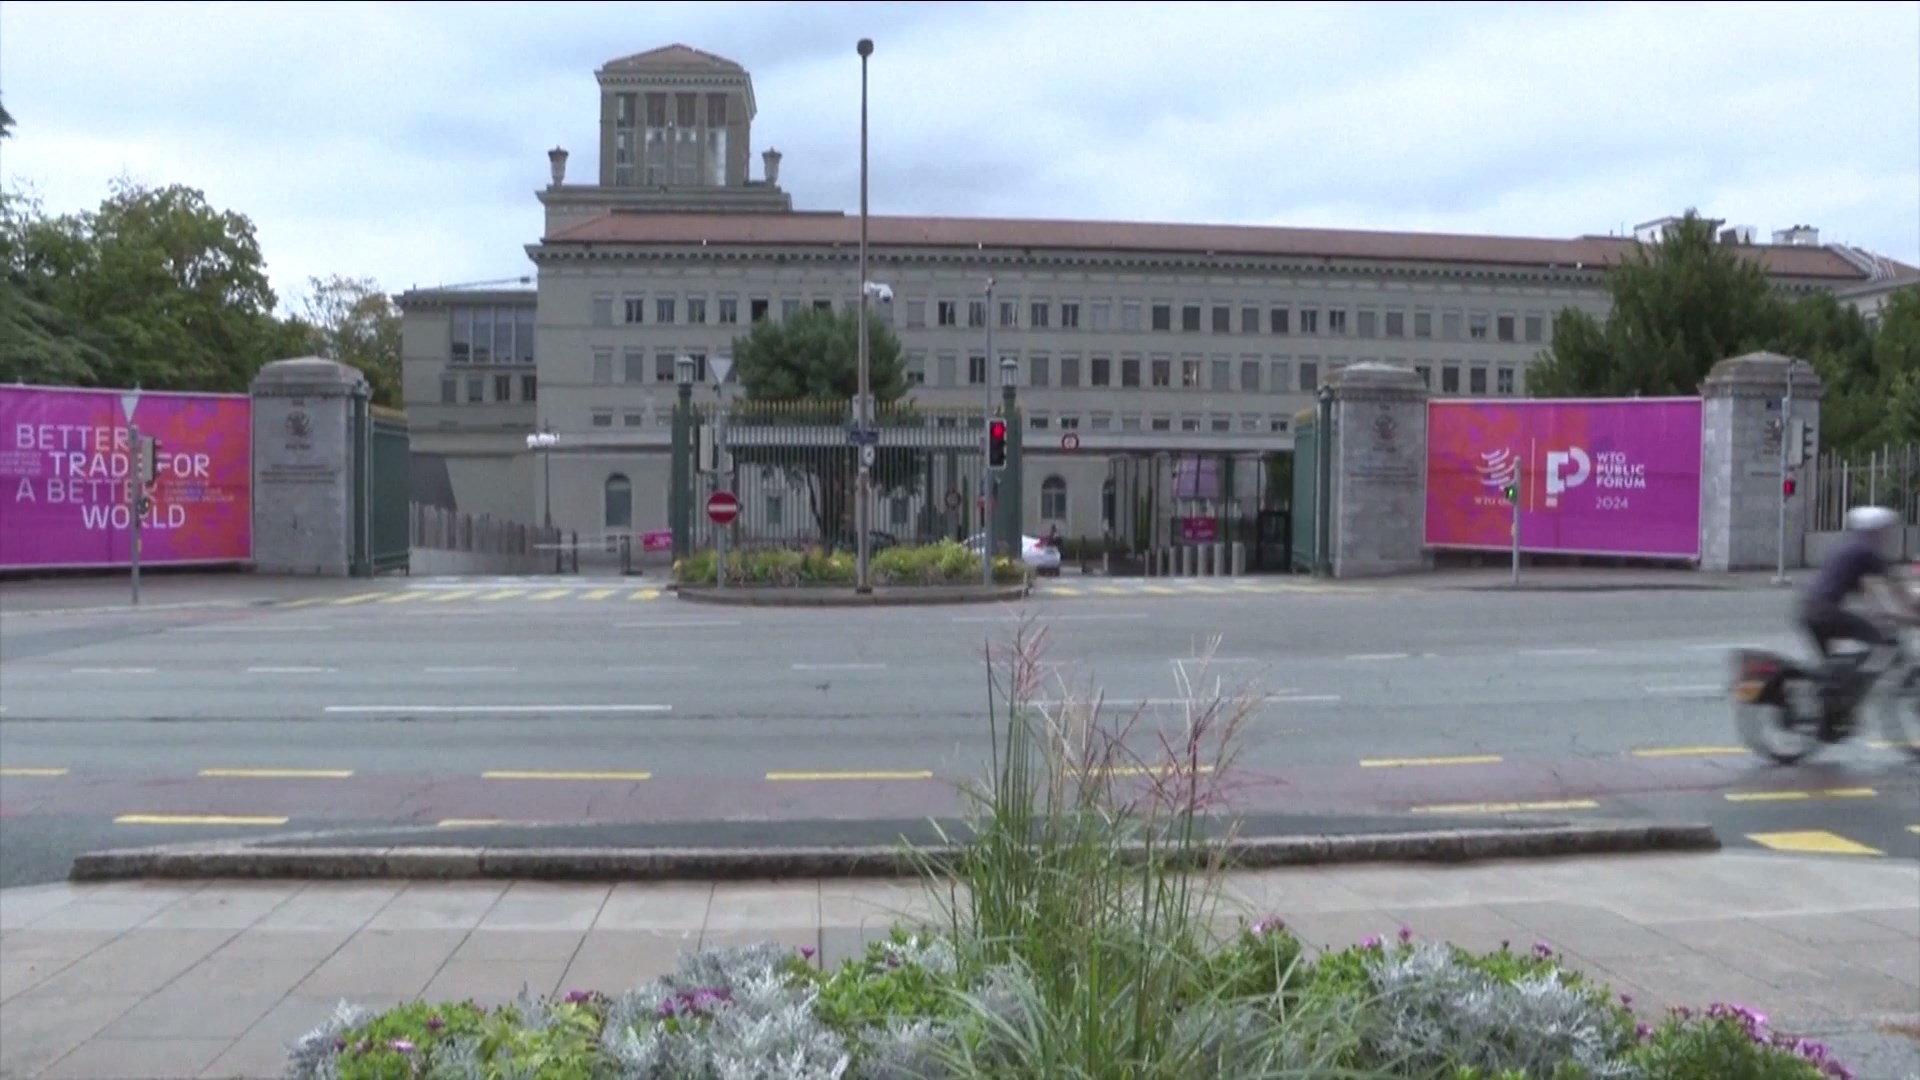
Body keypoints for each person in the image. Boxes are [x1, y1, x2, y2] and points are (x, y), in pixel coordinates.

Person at [1797, 505, 1920, 729]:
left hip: (1810, 611)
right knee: (1881, 641)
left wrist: (1883, 614)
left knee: (1833, 669)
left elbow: (1866, 592)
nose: (1887, 535)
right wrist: (1913, 613)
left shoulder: (1849, 548)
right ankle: (1840, 707)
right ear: (1874, 530)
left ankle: (1832, 717)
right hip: (1825, 612)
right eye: (1885, 530)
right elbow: (1895, 587)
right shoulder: (1866, 551)